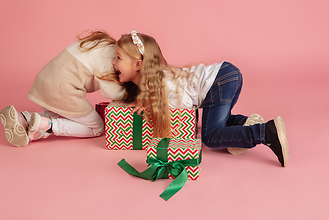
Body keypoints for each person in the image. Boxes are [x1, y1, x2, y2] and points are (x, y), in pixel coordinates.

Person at [112, 30, 289, 167]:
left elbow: (188, 107)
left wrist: (157, 106)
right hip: (227, 74)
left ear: (138, 65)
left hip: (219, 81)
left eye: (118, 58)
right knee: (218, 122)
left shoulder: (162, 85)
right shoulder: (156, 81)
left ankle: (265, 133)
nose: (113, 63)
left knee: (210, 136)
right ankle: (244, 124)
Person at [0, 30, 133, 147]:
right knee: (97, 127)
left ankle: (23, 119)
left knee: (66, 117)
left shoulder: (104, 44)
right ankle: (49, 127)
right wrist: (134, 96)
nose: (115, 62)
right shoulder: (110, 59)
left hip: (45, 82)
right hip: (62, 91)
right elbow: (111, 92)